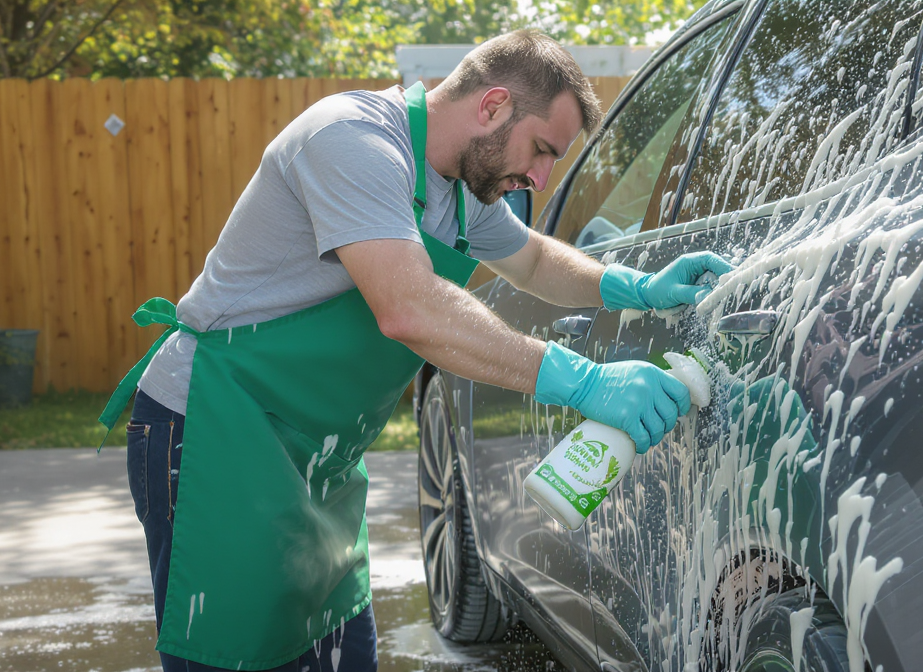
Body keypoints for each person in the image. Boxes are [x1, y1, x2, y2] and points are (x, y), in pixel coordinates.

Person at [97, 30, 732, 671]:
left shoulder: (461, 189)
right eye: (542, 150)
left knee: (334, 651)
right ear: (491, 106)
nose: (542, 177)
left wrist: (638, 287)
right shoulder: (353, 139)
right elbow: (410, 308)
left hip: (318, 459)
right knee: (234, 655)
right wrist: (584, 382)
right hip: (215, 429)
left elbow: (535, 259)